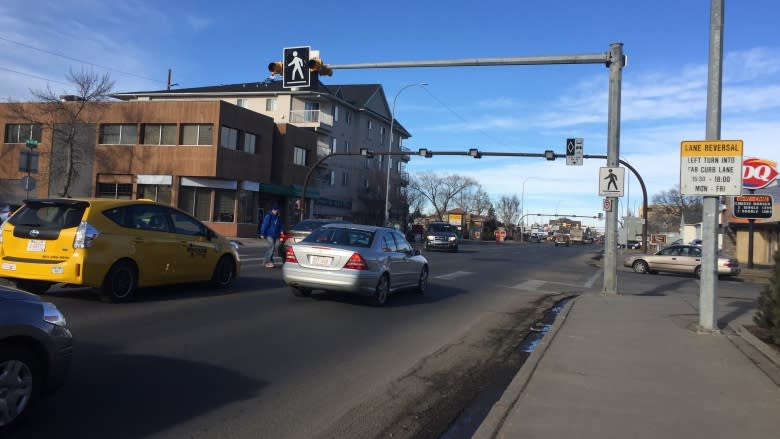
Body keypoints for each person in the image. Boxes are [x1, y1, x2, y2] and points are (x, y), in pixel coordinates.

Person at [259, 204, 283, 268]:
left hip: (275, 235)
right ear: (272, 209)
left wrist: (281, 231)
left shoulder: (278, 217)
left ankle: (265, 262)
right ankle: (268, 262)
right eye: (275, 210)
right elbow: (265, 225)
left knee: (270, 248)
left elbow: (280, 225)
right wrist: (262, 233)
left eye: (277, 210)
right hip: (269, 234)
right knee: (271, 247)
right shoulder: (269, 216)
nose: (276, 211)